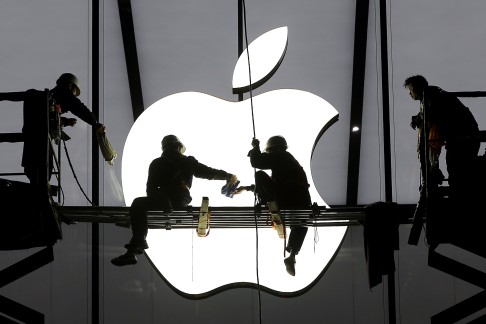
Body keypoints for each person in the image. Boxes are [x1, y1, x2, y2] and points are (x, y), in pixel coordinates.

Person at [111, 134, 238, 266]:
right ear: (179, 146)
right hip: (180, 200)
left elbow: (150, 190)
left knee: (138, 203)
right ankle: (135, 246)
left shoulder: (157, 163)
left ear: (164, 148)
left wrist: (163, 199)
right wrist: (227, 176)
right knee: (141, 203)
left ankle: (138, 243)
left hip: (163, 200)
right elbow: (208, 172)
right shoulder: (187, 161)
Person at [0, 73, 106, 183]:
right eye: (74, 92)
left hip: (32, 138)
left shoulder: (45, 98)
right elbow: (79, 108)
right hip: (41, 140)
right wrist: (95, 122)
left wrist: (65, 121)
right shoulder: (65, 93)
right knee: (43, 171)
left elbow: (48, 116)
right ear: (70, 86)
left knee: (34, 170)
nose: (74, 95)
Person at [234, 136, 311, 276]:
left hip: (286, 195)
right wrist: (248, 188)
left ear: (270, 149)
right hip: (302, 200)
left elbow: (257, 162)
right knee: (299, 224)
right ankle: (292, 255)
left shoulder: (280, 155)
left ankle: (266, 204)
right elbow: (273, 184)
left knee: (259, 175)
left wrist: (255, 148)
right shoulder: (289, 162)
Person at [404, 75, 480, 202]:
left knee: (457, 174)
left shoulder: (432, 99)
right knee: (460, 173)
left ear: (417, 89)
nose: (410, 94)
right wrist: (418, 119)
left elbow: (429, 114)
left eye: (411, 90)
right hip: (466, 138)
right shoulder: (435, 95)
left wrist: (417, 121)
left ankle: (460, 203)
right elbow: (427, 114)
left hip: (461, 140)